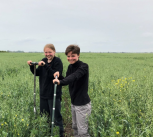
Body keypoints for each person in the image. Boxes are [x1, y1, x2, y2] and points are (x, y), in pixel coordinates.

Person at [53, 44, 91, 137]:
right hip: (74, 103)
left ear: (78, 55)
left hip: (82, 104)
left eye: (73, 56)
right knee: (75, 127)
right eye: (68, 56)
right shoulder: (70, 67)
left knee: (83, 132)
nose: (70, 58)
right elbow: (67, 79)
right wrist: (59, 76)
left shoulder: (83, 66)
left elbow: (74, 77)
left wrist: (60, 82)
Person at [27, 44, 64, 137]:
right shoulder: (43, 60)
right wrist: (32, 66)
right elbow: (37, 73)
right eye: (46, 52)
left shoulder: (58, 61)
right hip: (43, 94)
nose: (48, 54)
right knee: (44, 117)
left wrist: (45, 66)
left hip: (53, 94)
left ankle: (59, 135)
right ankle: (47, 134)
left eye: (50, 52)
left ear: (54, 52)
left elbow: (55, 75)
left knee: (56, 118)